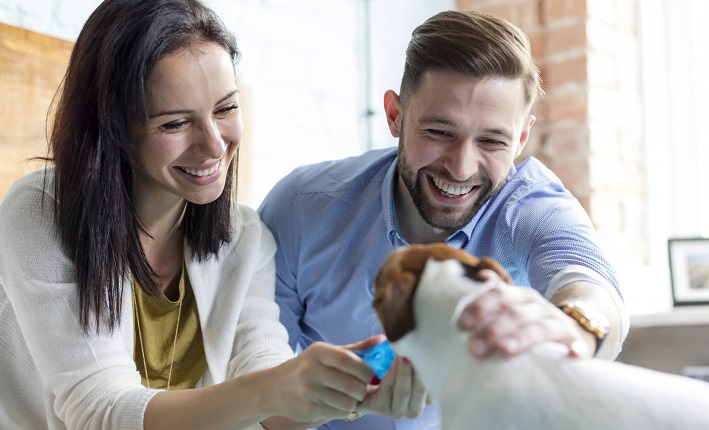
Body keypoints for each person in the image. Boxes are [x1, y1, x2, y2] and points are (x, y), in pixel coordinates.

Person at [0, 0, 427, 428]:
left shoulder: (243, 238)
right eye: (174, 124)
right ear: (112, 126)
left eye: (225, 109)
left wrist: (346, 387)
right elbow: (99, 411)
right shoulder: (41, 212)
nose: (214, 145)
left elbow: (271, 405)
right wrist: (273, 388)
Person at [258, 9, 630, 430]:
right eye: (439, 132)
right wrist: (341, 400)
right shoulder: (301, 209)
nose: (460, 167)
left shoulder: (533, 208)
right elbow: (253, 386)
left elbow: (591, 287)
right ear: (395, 115)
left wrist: (575, 329)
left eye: (492, 140)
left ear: (522, 138)